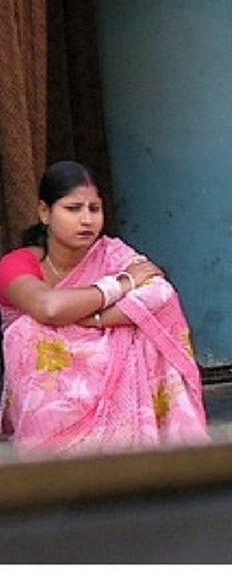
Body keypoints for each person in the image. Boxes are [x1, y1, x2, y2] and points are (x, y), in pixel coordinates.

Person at [0, 160, 209, 456]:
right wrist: (121, 284)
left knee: (145, 330)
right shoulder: (17, 264)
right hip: (51, 406)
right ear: (44, 212)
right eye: (73, 209)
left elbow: (161, 294)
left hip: (116, 390)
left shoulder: (112, 253)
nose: (87, 220)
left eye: (94, 209)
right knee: (28, 331)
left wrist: (93, 319)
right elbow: (48, 308)